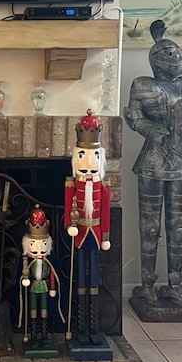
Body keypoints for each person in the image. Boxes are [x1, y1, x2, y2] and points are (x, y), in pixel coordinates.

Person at [123, 20, 182, 309]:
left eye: (178, 54)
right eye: (169, 54)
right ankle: (147, 283)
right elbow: (133, 116)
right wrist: (150, 129)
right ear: (156, 59)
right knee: (149, 226)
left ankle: (175, 283)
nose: (176, 59)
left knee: (178, 224)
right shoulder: (142, 85)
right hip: (152, 159)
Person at [64, 109, 111, 339]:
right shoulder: (72, 184)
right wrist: (68, 224)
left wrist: (106, 237)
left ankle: (93, 325)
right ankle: (80, 325)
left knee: (94, 278)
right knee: (80, 279)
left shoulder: (104, 186)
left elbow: (106, 213)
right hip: (80, 232)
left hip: (95, 234)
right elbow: (67, 207)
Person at [19, 205, 62, 349]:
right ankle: (33, 335)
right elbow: (24, 273)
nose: (39, 249)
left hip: (44, 287)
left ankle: (44, 335)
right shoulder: (27, 262)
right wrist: (25, 279)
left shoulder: (48, 261)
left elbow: (52, 274)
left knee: (44, 310)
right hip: (32, 287)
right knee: (32, 311)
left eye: (43, 244)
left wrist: (53, 287)